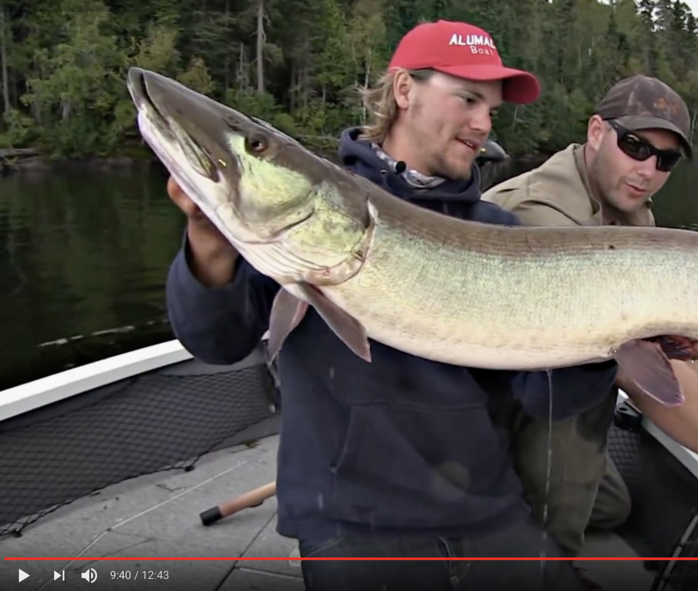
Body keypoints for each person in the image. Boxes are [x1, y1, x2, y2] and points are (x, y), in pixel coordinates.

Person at [163, 19, 614, 591]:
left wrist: (608, 345)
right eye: (469, 99)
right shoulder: (305, 213)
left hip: (487, 508)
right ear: (404, 91)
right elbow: (216, 342)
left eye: (492, 110)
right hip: (354, 522)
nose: (483, 124)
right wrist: (207, 244)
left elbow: (542, 397)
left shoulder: (499, 230)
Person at [483, 74, 698, 586]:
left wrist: (690, 366)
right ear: (597, 131)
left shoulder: (627, 209)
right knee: (559, 513)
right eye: (635, 146)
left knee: (614, 505)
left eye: (664, 159)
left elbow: (664, 360)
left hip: (551, 402)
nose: (647, 169)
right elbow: (640, 374)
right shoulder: (534, 213)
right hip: (494, 422)